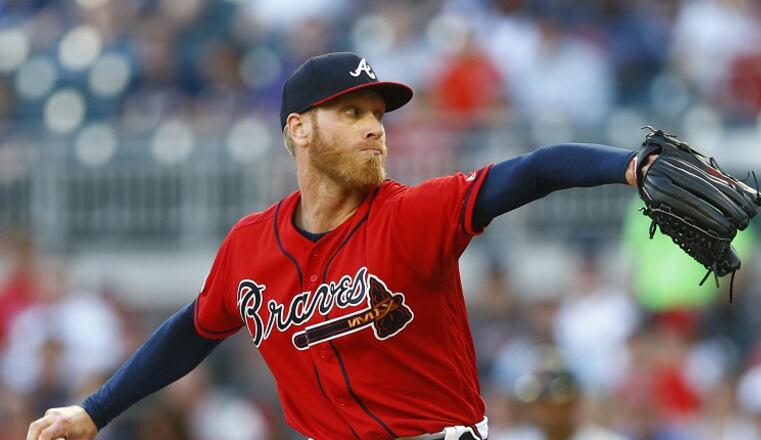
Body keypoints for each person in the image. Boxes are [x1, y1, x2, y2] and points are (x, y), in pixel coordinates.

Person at [27, 52, 654, 440]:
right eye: (351, 113)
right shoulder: (250, 245)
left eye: (377, 114)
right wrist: (94, 411)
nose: (375, 128)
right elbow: (193, 329)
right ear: (299, 129)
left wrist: (630, 166)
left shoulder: (411, 215)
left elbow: (536, 169)